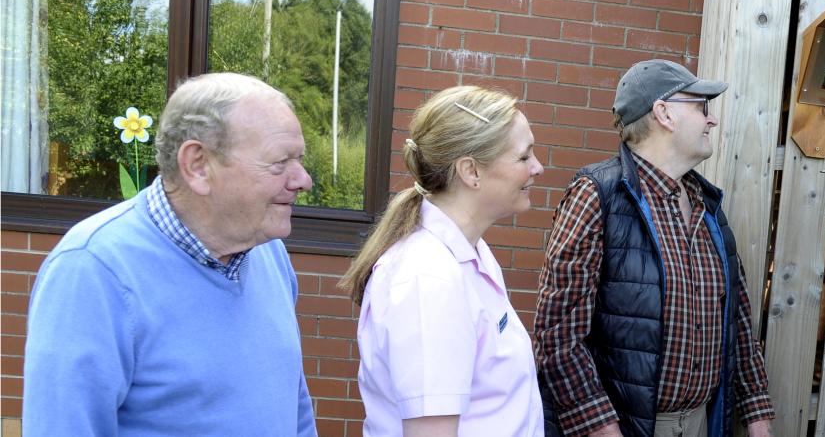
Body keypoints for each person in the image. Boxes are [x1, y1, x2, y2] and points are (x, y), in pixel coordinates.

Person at [22, 73, 317, 435]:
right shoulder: (93, 269)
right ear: (197, 164)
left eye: (299, 160)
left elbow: (294, 407)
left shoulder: (268, 253)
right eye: (279, 162)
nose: (302, 179)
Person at [535, 59, 775, 437]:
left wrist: (757, 415)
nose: (711, 120)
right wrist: (602, 429)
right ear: (664, 113)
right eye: (702, 107)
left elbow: (738, 319)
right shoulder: (597, 194)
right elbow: (558, 335)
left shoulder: (706, 203)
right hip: (625, 428)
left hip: (702, 423)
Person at [340, 85, 545, 437]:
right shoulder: (428, 277)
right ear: (470, 171)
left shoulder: (470, 254)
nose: (537, 168)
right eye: (524, 157)